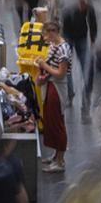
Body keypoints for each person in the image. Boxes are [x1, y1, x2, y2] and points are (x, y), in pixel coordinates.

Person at [58, 0, 98, 122]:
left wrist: (93, 38)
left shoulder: (85, 0)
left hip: (81, 37)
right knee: (66, 67)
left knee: (87, 69)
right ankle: (70, 93)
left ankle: (85, 107)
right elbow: (57, 17)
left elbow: (92, 19)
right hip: (67, 37)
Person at [38, 20, 72, 172]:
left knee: (57, 122)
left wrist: (44, 66)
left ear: (53, 32)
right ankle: (56, 155)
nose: (45, 39)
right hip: (51, 85)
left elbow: (60, 73)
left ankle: (60, 161)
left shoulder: (63, 50)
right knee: (52, 120)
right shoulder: (53, 45)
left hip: (58, 88)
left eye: (46, 35)